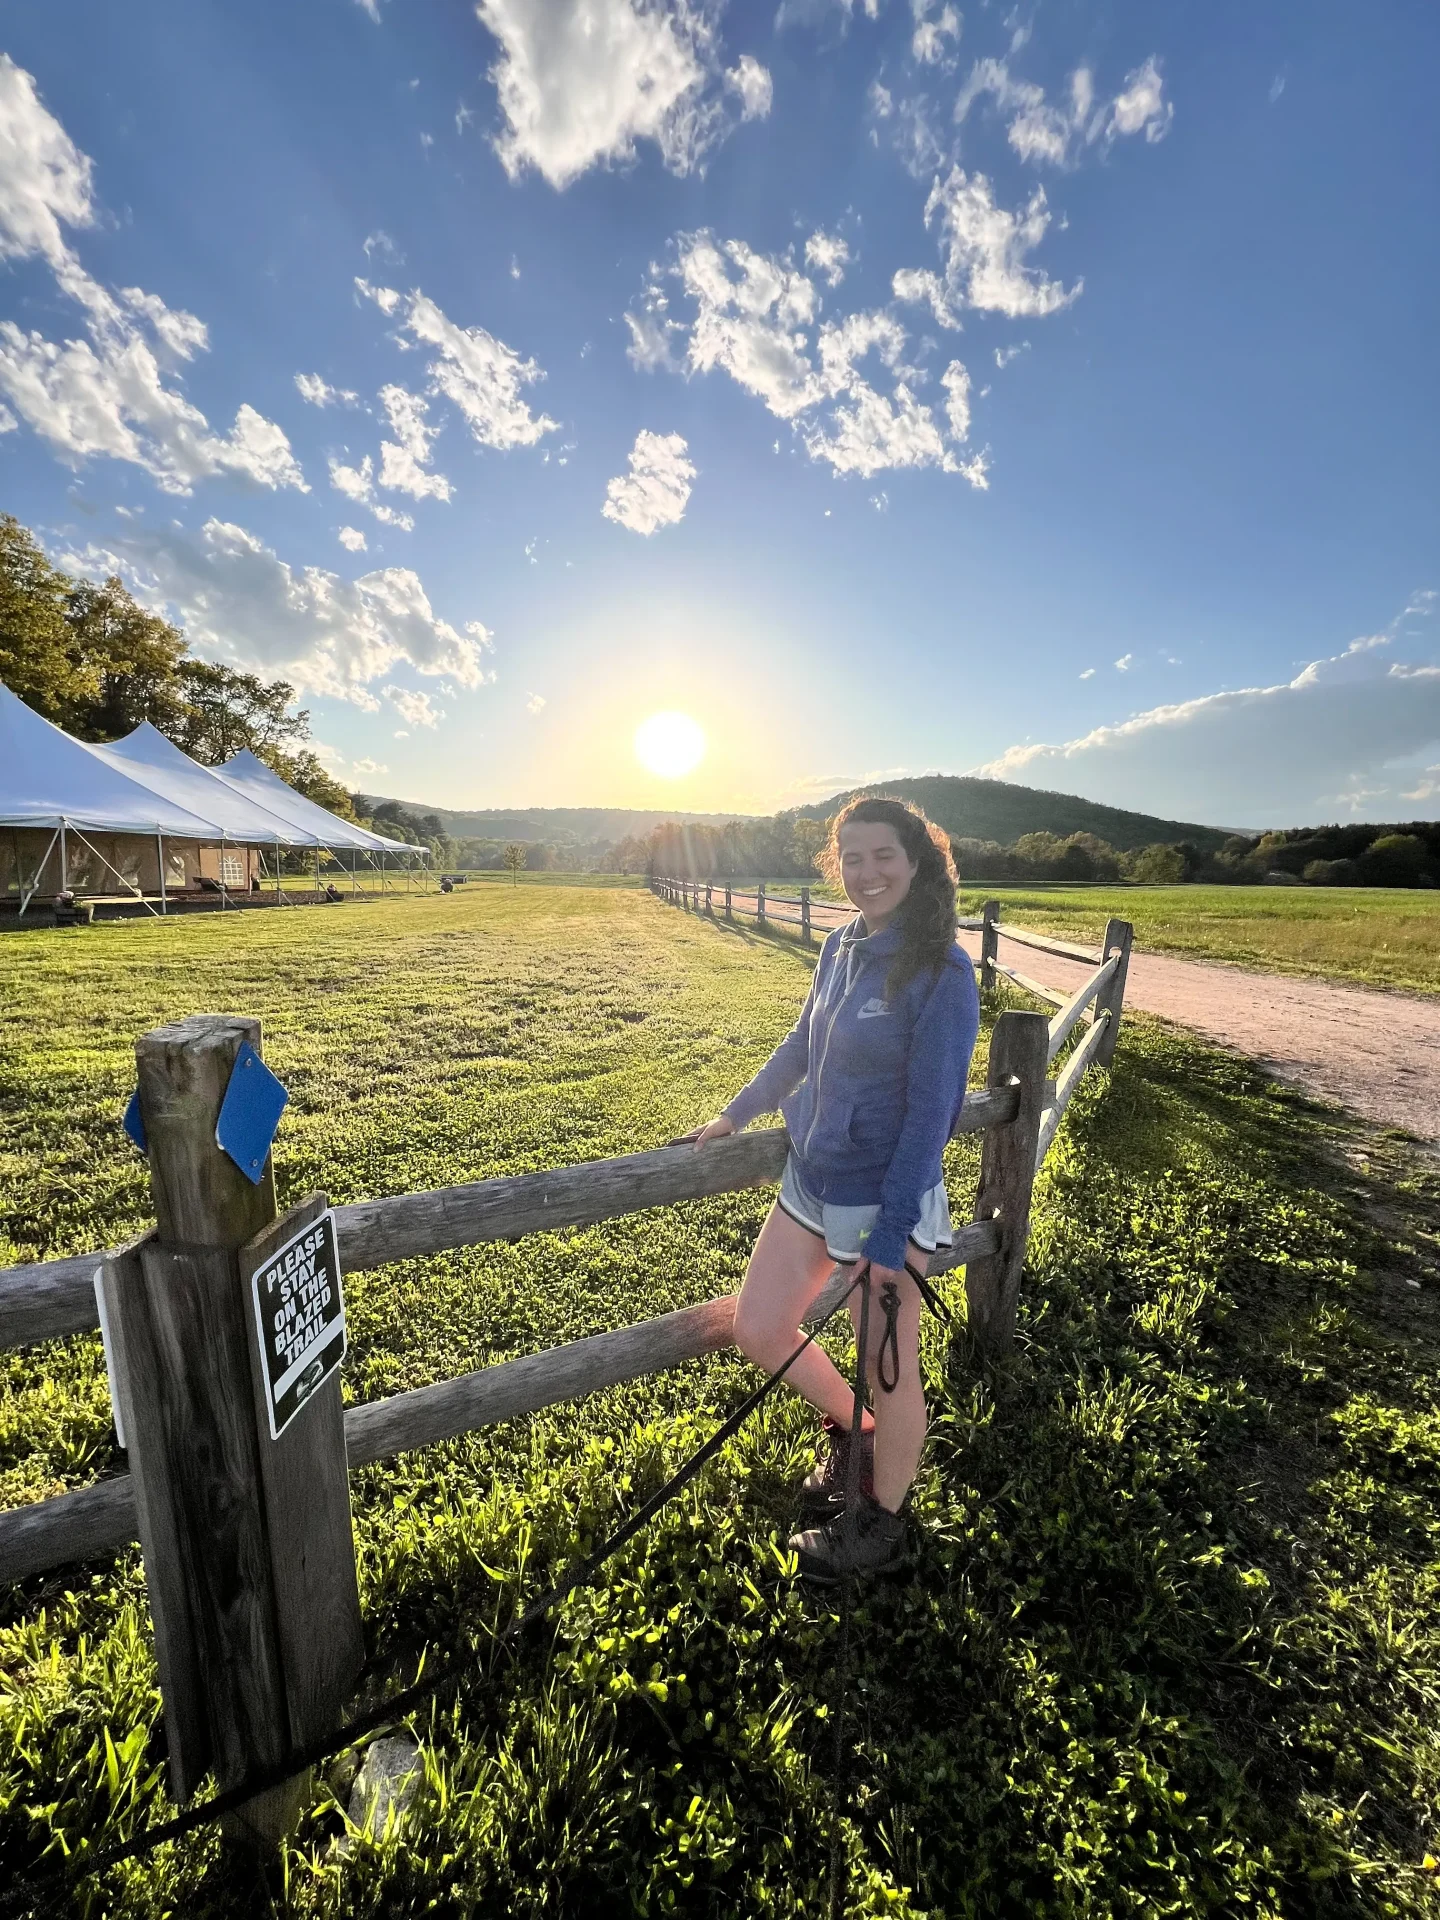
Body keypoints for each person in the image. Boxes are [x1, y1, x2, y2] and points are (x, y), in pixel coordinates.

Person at [691, 797, 979, 1583]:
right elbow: (802, 1043)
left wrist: (890, 1238)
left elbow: (933, 1116)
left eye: (882, 855)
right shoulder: (843, 945)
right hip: (812, 1182)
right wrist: (734, 1112)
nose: (866, 872)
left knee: (892, 1368)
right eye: (851, 857)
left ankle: (882, 1529)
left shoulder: (940, 971)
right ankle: (856, 1437)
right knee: (758, 1327)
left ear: (917, 863)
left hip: (882, 1201)